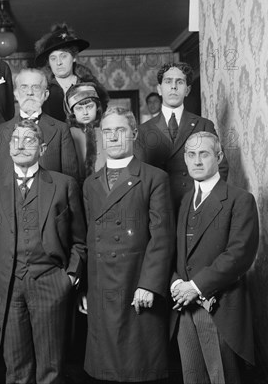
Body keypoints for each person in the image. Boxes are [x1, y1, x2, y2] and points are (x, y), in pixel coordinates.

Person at [0, 119, 86, 384]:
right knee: (16, 370)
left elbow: (81, 241)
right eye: (15, 139)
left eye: (29, 140)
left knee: (51, 371)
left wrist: (70, 278)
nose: (20, 145)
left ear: (42, 148)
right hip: (8, 288)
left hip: (51, 283)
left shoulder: (64, 184)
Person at [81, 107, 175, 382]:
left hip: (137, 284)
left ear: (133, 134)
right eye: (107, 131)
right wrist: (85, 286)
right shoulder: (90, 183)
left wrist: (149, 284)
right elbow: (88, 237)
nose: (112, 137)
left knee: (138, 370)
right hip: (101, 289)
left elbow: (162, 238)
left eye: (120, 131)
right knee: (105, 371)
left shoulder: (154, 178)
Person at [171, 131, 259, 384]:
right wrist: (178, 284)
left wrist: (196, 287)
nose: (197, 161)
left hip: (220, 306)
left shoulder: (240, 199)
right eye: (191, 155)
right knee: (193, 378)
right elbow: (173, 252)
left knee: (221, 377)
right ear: (185, 160)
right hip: (184, 308)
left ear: (219, 157)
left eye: (204, 154)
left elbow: (239, 254)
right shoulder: (184, 200)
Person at [134, 62, 229, 213]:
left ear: (187, 90)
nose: (173, 87)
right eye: (168, 81)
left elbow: (221, 166)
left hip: (196, 208)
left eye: (179, 82)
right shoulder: (143, 131)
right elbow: (138, 176)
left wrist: (205, 199)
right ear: (159, 89)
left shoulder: (203, 125)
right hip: (159, 210)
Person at [0, 68, 78, 183]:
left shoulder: (61, 130)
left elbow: (70, 179)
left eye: (36, 87)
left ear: (46, 94)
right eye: (24, 87)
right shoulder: (0, 131)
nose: (30, 92)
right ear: (16, 94)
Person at [34, 23, 100, 122]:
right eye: (53, 58)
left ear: (73, 57)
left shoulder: (89, 86)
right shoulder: (41, 91)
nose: (59, 62)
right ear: (49, 62)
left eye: (63, 56)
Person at [65, 82, 110, 180]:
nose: (85, 113)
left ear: (97, 107)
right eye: (79, 108)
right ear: (72, 112)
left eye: (89, 107)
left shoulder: (107, 130)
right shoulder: (67, 134)